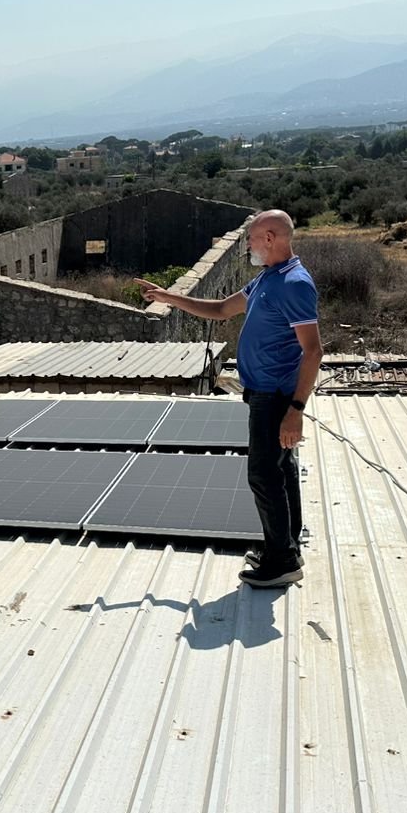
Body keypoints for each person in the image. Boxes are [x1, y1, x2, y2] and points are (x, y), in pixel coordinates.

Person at [136, 209, 321, 587]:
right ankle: (284, 546)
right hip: (262, 393)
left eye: (251, 239)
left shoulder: (294, 283)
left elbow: (313, 351)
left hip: (275, 396)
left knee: (263, 475)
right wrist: (170, 297)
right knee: (280, 470)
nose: (248, 246)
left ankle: (282, 560)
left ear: (270, 238)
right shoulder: (267, 279)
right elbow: (221, 310)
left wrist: (296, 411)